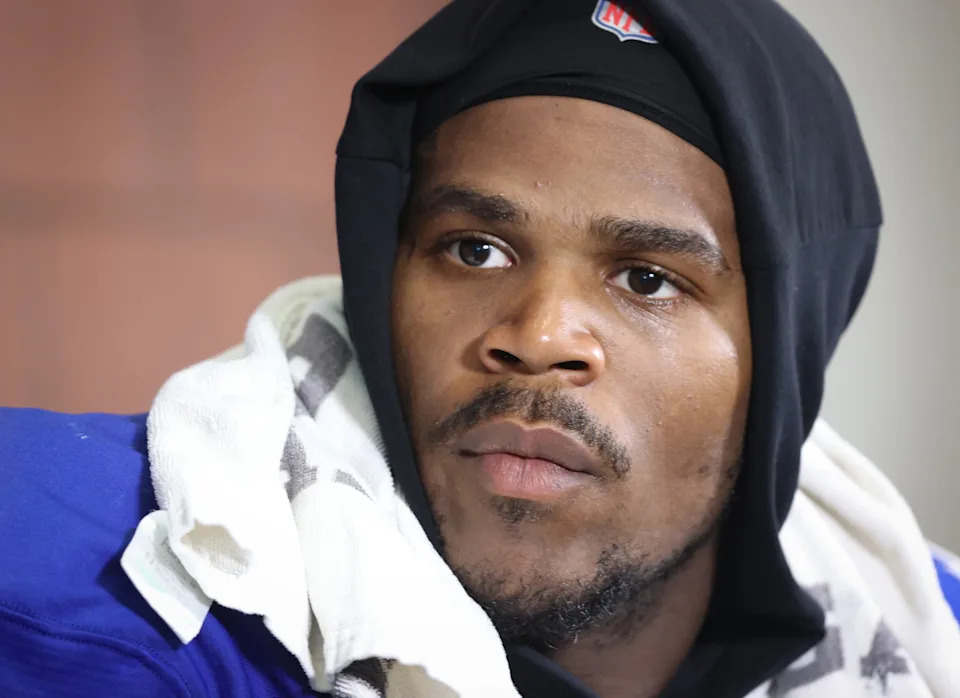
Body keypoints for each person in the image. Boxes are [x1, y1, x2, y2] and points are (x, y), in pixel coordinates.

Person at [1, 1, 958, 696]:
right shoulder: (100, 587)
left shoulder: (926, 630)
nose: (538, 337)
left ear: (786, 353)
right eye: (475, 249)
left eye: (647, 278)